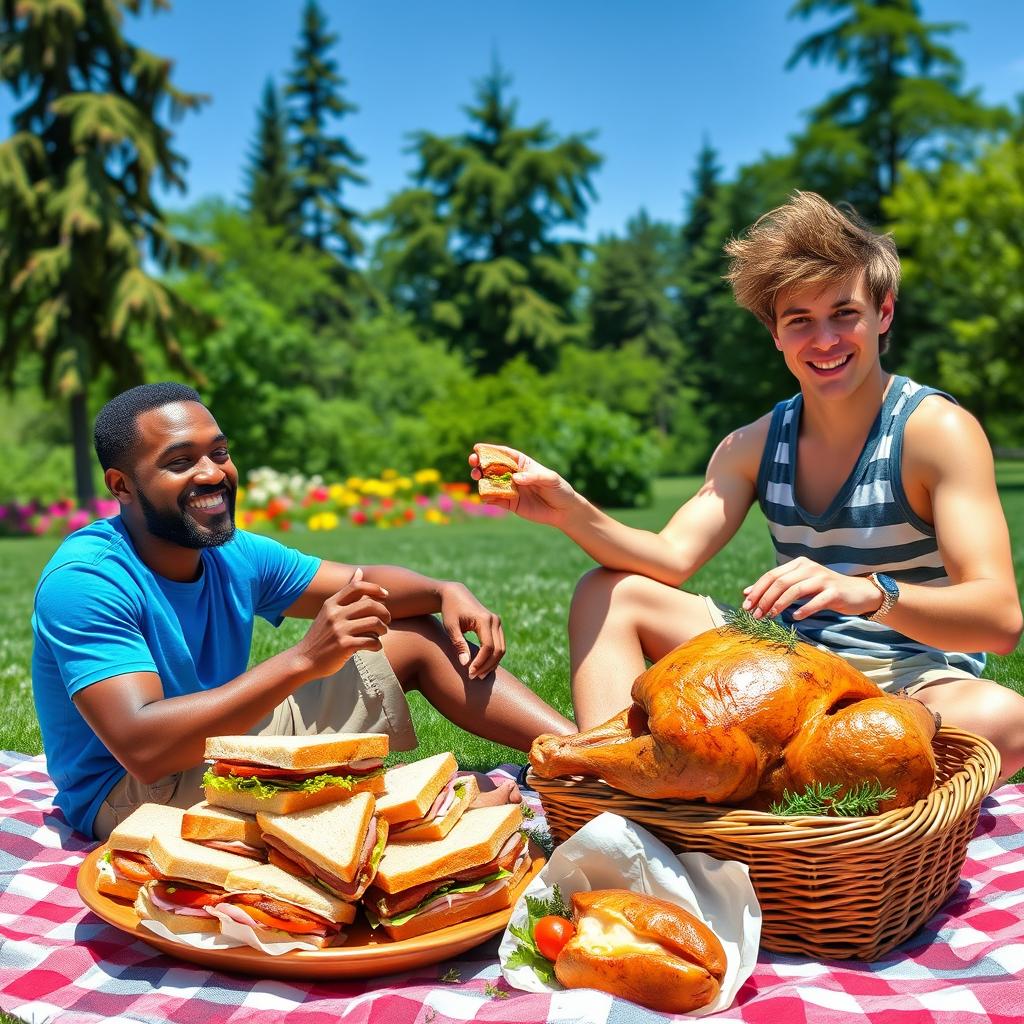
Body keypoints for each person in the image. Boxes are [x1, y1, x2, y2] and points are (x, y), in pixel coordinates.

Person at [470, 191, 1024, 782]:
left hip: (912, 680)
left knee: (1007, 720)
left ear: (883, 313)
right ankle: (627, 781)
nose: (826, 340)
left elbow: (999, 620)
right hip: (781, 666)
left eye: (844, 313)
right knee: (610, 592)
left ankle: (748, 772)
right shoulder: (754, 444)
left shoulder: (936, 431)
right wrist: (568, 509)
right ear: (775, 335)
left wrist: (868, 592)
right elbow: (669, 559)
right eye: (800, 321)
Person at [31, 383, 575, 840]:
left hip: (221, 744)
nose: (211, 473)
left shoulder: (228, 552)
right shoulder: (86, 580)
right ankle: (418, 813)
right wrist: (304, 660)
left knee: (411, 632)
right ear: (121, 485)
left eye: (218, 453)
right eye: (180, 462)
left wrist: (442, 590)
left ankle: (582, 760)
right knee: (329, 808)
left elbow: (364, 585)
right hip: (133, 795)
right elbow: (144, 748)